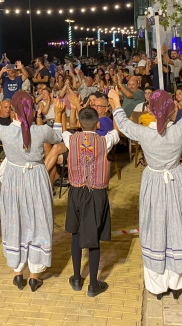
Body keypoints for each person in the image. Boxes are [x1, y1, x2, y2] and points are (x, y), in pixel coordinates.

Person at [109, 58, 182, 300]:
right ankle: (177, 282)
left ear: (152, 110)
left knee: (155, 227)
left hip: (154, 181)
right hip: (175, 179)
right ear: (171, 109)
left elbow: (121, 123)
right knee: (176, 224)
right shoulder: (179, 129)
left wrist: (114, 101)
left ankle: (157, 285)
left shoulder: (144, 133)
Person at [0, 93, 63, 292]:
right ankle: (34, 275)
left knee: (15, 220)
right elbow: (58, 136)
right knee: (38, 221)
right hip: (35, 178)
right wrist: (59, 115)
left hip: (14, 181)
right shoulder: (40, 131)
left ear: (13, 111)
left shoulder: (5, 132)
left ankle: (18, 272)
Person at [60, 106, 120, 298]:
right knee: (93, 238)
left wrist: (63, 113)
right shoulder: (105, 141)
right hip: (96, 193)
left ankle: (77, 278)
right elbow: (117, 132)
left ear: (79, 123)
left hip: (76, 191)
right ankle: (93, 284)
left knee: (76, 234)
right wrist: (115, 105)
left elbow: (63, 131)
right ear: (97, 123)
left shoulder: (72, 139)